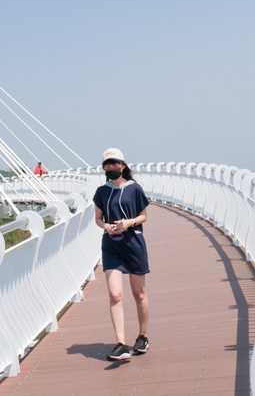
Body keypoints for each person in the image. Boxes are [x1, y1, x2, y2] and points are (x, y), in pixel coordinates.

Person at [92, 147, 150, 361]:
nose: (111, 167)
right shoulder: (101, 191)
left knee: (139, 294)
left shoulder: (135, 189)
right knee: (115, 294)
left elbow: (143, 216)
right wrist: (106, 226)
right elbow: (98, 219)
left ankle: (143, 337)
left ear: (123, 166)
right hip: (111, 246)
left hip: (133, 244)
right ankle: (121, 344)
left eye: (115, 163)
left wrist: (129, 222)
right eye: (107, 164)